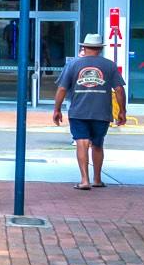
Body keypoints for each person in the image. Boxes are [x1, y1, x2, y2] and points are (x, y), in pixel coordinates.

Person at [52, 32, 128, 190]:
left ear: (84, 47)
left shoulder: (73, 64)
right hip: (102, 112)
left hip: (78, 111)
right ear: (100, 48)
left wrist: (57, 109)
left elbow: (62, 89)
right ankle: (97, 179)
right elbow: (119, 89)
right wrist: (122, 111)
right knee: (98, 144)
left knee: (82, 142)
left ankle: (84, 180)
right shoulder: (109, 65)